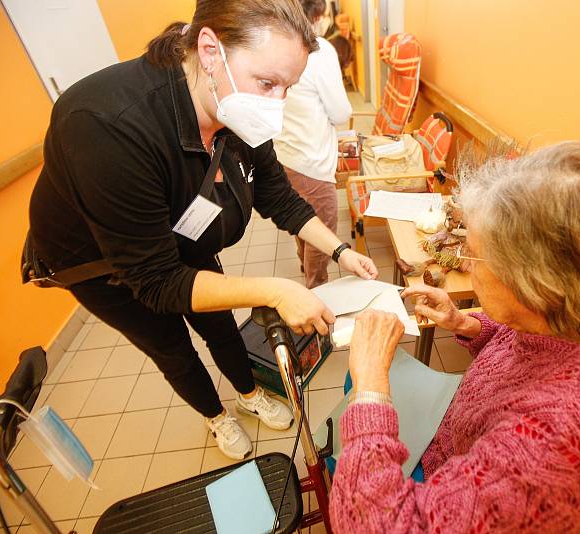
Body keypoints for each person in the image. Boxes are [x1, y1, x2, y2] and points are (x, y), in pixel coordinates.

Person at [27, 0, 377, 461]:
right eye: (267, 83)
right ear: (209, 50)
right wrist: (274, 290)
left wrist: (339, 252)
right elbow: (157, 282)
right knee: (170, 343)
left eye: (287, 88)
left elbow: (279, 196)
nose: (277, 105)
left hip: (179, 232)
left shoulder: (238, 107)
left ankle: (248, 393)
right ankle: (216, 416)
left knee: (220, 325)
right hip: (101, 263)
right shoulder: (105, 126)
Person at [329, 142, 580, 532]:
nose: (466, 267)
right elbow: (539, 346)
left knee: (359, 384)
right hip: (459, 435)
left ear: (530, 285)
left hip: (436, 486)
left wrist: (372, 384)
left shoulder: (564, 442)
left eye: (471, 255)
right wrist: (467, 323)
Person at [273, 0, 353, 288]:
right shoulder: (319, 49)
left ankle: (306, 271)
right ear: (319, 15)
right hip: (313, 163)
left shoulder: (277, 42)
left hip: (285, 155)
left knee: (301, 224)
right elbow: (342, 112)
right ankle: (317, 292)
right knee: (323, 235)